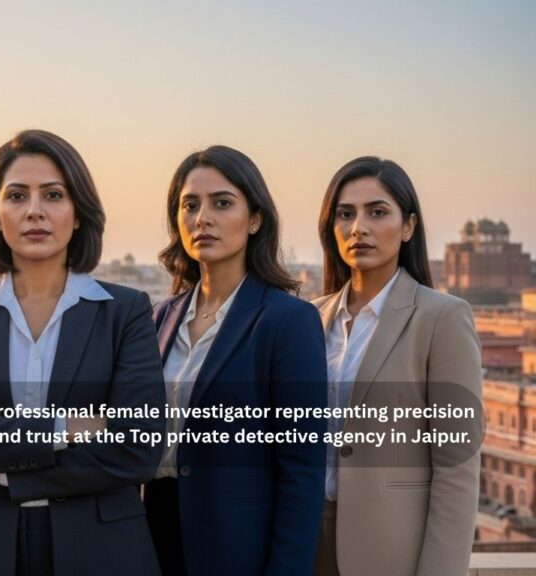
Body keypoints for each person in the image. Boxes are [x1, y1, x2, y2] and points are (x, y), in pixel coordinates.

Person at [0, 129, 165, 576]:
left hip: (101, 545)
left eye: (53, 194)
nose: (34, 211)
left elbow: (138, 446)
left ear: (78, 211)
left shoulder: (125, 311)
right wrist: (63, 428)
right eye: (17, 196)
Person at [146, 145, 327, 575]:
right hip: (152, 537)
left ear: (255, 219)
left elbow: (301, 473)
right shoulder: (160, 318)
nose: (201, 218)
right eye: (189, 205)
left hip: (237, 548)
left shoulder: (289, 321)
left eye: (221, 203)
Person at [311, 156, 482, 576]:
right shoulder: (309, 319)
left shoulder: (441, 317)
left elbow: (456, 471)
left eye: (377, 212)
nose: (358, 228)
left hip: (390, 549)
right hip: (305, 544)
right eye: (345, 214)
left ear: (408, 227)